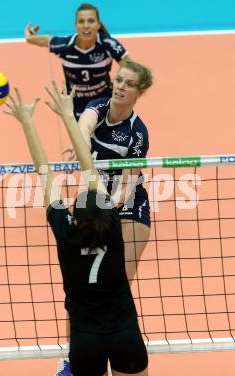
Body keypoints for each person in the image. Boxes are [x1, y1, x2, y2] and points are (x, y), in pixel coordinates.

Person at [4, 84, 148, 376]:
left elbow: (45, 172)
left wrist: (27, 123)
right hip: (124, 333)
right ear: (107, 210)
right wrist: (69, 117)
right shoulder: (114, 228)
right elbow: (90, 171)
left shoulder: (67, 236)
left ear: (74, 216)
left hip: (85, 341)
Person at [77, 60, 153, 285]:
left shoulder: (137, 134)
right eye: (119, 80)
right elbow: (83, 128)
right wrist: (82, 146)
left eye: (129, 84)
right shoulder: (97, 108)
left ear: (139, 92)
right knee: (84, 285)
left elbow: (125, 189)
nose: (121, 86)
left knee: (119, 286)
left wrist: (104, 209)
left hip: (129, 205)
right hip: (95, 202)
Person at [25, 3, 130, 120]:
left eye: (91, 21)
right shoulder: (65, 46)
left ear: (98, 24)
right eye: (81, 21)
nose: (86, 26)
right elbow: (45, 40)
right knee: (80, 137)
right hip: (75, 107)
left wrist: (119, 85)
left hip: (104, 103)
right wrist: (30, 38)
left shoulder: (108, 44)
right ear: (76, 25)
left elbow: (130, 68)